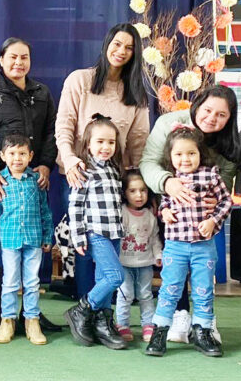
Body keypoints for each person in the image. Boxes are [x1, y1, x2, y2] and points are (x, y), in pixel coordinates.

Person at [138, 84, 240, 343]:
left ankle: (205, 321)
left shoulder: (229, 142)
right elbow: (148, 161)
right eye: (207, 110)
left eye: (221, 115)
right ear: (197, 105)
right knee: (176, 267)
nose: (211, 118)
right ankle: (180, 314)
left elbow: (225, 184)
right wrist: (167, 183)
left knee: (205, 266)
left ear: (229, 118)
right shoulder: (170, 123)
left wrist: (212, 204)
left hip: (205, 216)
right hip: (173, 206)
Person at [56, 24, 149, 304]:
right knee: (84, 246)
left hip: (113, 181)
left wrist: (138, 183)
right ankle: (87, 311)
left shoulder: (136, 93)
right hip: (78, 176)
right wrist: (71, 160)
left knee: (110, 250)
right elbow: (64, 125)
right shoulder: (80, 80)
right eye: (117, 44)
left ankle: (103, 313)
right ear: (106, 43)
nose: (121, 51)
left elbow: (138, 142)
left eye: (129, 48)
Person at [0, 37, 60, 333]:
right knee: (4, 252)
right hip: (0, 179)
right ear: (1, 60)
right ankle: (6, 315)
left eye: (24, 57)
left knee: (33, 250)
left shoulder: (42, 92)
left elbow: (51, 132)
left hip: (34, 177)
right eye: (13, 57)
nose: (18, 63)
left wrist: (46, 163)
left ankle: (31, 314)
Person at [145, 126, 231, 358]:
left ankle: (203, 332)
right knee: (169, 290)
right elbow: (164, 204)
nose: (185, 159)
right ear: (170, 157)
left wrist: (213, 221)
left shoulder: (211, 175)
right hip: (176, 245)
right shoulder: (170, 181)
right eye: (179, 154)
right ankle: (159, 332)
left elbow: (226, 202)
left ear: (200, 153)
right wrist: (164, 213)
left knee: (203, 291)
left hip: (204, 246)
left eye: (191, 153)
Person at [63, 116, 127, 351]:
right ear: (88, 143)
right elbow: (75, 206)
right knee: (115, 277)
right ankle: (81, 309)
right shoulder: (83, 170)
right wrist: (78, 236)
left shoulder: (113, 169)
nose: (105, 147)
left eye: (111, 142)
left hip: (114, 233)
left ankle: (102, 322)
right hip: (95, 232)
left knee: (105, 280)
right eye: (100, 141)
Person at [0, 134, 53, 346]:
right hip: (10, 241)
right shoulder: (0, 182)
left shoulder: (36, 181)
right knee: (10, 282)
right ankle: (8, 320)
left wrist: (48, 236)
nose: (17, 158)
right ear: (3, 156)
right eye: (12, 154)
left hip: (34, 240)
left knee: (32, 282)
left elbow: (45, 212)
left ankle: (32, 320)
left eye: (22, 153)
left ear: (30, 156)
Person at [115, 170, 161, 344]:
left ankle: (148, 324)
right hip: (124, 262)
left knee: (145, 294)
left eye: (143, 190)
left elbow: (155, 237)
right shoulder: (122, 213)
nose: (139, 195)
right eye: (133, 191)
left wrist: (158, 255)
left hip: (145, 262)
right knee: (125, 294)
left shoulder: (150, 215)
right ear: (125, 193)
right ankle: (123, 325)